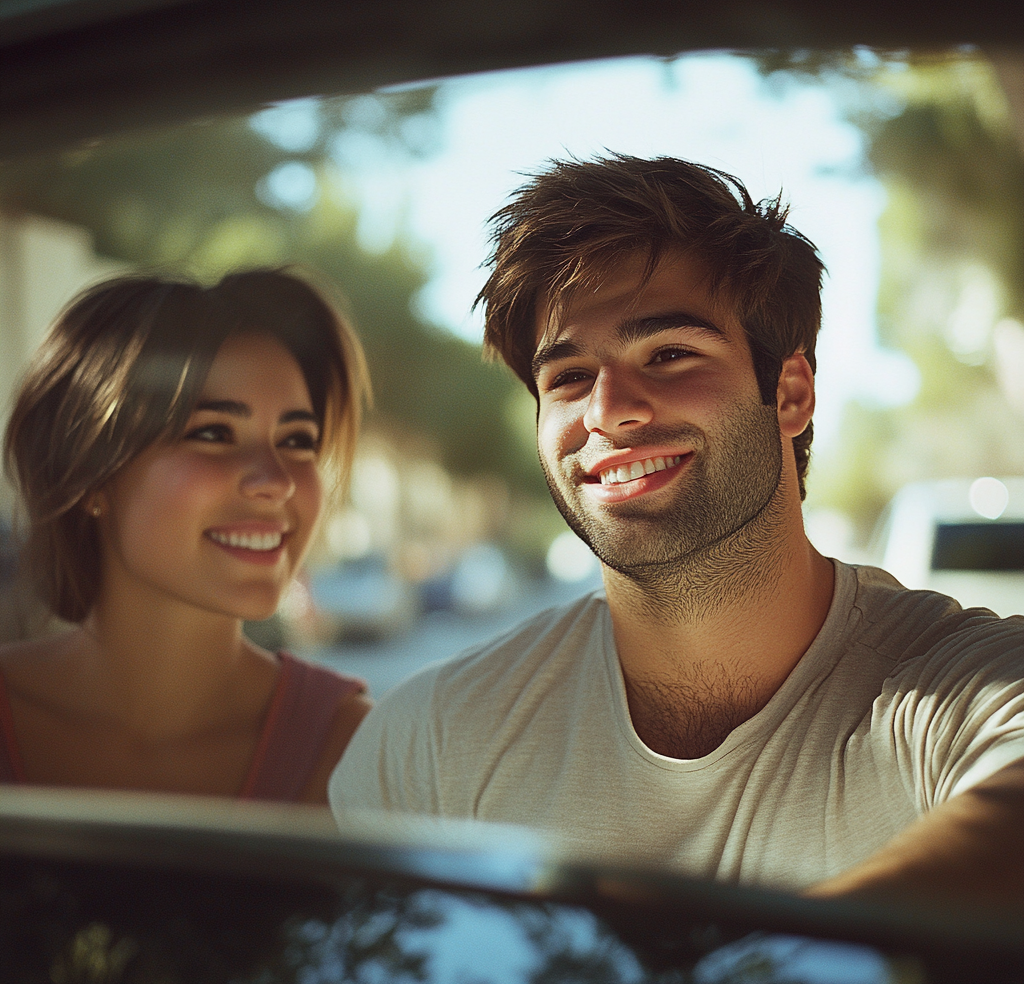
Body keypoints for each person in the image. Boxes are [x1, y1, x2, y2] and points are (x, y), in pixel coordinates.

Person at [330, 156, 1024, 907]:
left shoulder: (965, 690)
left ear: (790, 394)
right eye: (566, 377)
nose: (608, 411)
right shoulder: (428, 743)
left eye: (668, 354)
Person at [1, 269, 372, 804]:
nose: (277, 482)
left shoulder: (352, 746)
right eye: (213, 433)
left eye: (297, 440)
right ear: (89, 472)